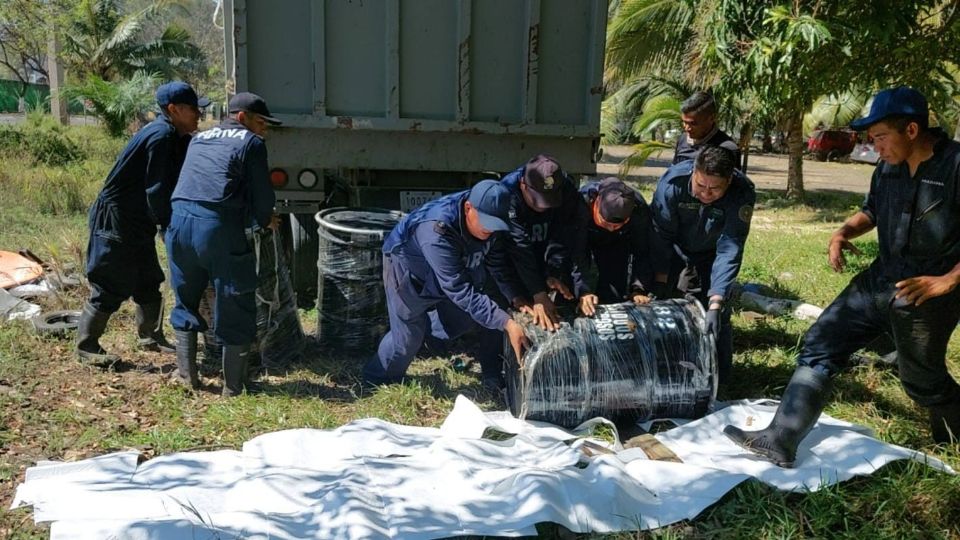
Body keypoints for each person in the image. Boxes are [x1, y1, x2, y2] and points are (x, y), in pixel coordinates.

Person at [724, 87, 960, 467]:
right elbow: (872, 211)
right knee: (822, 339)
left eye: (881, 137)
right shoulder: (887, 166)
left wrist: (947, 280)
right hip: (880, 279)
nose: (875, 146)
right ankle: (780, 438)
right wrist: (843, 232)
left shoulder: (955, 165)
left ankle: (952, 437)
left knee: (921, 380)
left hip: (928, 292)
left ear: (912, 130)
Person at [76, 81, 207, 365]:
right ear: (173, 110)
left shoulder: (172, 135)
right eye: (194, 109)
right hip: (117, 218)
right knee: (110, 281)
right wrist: (167, 226)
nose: (200, 114)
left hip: (137, 219)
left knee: (148, 279)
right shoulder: (160, 136)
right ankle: (87, 346)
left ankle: (151, 336)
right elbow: (157, 189)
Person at [165, 92, 281, 396]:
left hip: (178, 223)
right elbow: (263, 195)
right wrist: (265, 218)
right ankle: (235, 387)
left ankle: (186, 376)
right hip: (216, 228)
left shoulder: (199, 138)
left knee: (186, 298)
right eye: (260, 122)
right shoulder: (251, 143)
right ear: (242, 118)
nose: (264, 130)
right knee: (235, 300)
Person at [361, 180, 530, 387]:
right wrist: (507, 323)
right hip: (408, 267)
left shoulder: (487, 216)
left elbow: (496, 263)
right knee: (406, 338)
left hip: (453, 268)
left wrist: (515, 296)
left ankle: (425, 331)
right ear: (468, 208)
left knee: (467, 317)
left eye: (496, 226)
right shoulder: (436, 231)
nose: (490, 231)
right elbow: (459, 289)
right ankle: (376, 380)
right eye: (487, 224)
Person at [650, 146, 755, 384]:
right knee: (671, 306)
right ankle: (668, 371)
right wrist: (659, 279)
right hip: (675, 247)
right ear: (693, 173)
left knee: (716, 313)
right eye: (700, 185)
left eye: (715, 188)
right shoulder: (673, 183)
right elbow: (660, 236)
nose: (706, 193)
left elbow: (730, 247)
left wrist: (716, 301)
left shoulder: (742, 193)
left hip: (712, 253)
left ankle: (720, 378)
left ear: (729, 181)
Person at [499, 154, 593, 330]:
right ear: (523, 185)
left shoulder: (567, 189)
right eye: (538, 200)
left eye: (548, 200)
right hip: (515, 250)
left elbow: (572, 238)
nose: (543, 207)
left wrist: (556, 274)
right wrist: (538, 294)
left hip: (546, 240)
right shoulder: (507, 194)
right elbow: (518, 247)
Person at [576, 177, 656, 315]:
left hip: (618, 242)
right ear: (596, 203)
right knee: (574, 293)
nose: (611, 229)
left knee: (613, 294)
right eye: (606, 223)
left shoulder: (638, 209)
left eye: (617, 225)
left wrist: (638, 288)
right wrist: (583, 290)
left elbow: (642, 250)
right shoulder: (580, 204)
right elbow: (576, 251)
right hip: (584, 236)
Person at [672, 91, 741, 168]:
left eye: (693, 123)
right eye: (684, 122)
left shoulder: (727, 149)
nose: (687, 128)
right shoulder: (682, 140)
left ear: (711, 118)